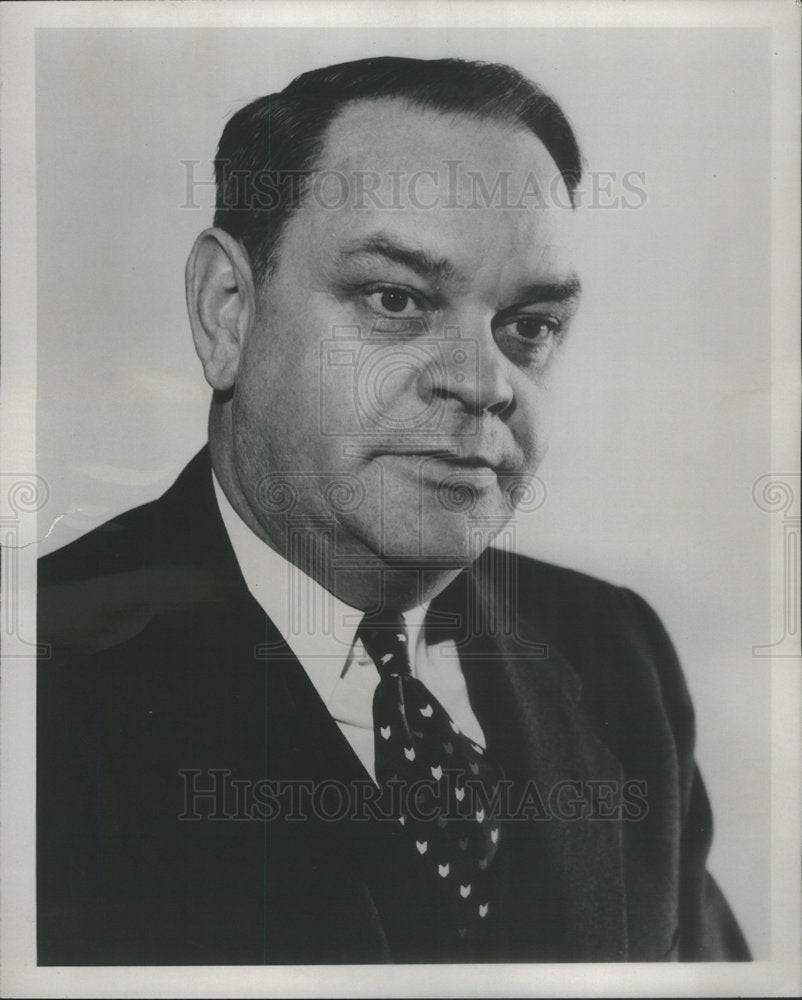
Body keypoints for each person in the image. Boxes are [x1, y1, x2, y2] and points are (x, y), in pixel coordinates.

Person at [37, 56, 750, 965]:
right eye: (397, 300)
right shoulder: (40, 679)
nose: (484, 382)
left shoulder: (615, 652)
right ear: (228, 314)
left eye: (529, 325)